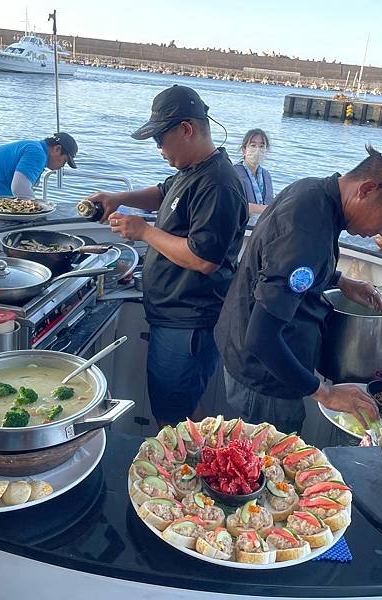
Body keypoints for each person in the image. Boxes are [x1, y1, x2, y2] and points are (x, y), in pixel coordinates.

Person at [215, 145, 382, 434]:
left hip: (259, 363)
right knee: (273, 467)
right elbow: (261, 338)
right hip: (266, 379)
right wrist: (326, 393)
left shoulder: (313, 192)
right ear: (368, 189)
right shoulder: (307, 230)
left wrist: (340, 281)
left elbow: (284, 268)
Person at [86, 85, 248, 427]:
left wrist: (143, 232)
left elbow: (204, 259)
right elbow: (164, 193)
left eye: (160, 138)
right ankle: (190, 468)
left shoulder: (217, 183)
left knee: (176, 417)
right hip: (173, 317)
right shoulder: (194, 169)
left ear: (186, 129)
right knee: (180, 410)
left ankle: (186, 474)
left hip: (189, 323)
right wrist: (120, 197)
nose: (158, 148)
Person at [0, 132, 78, 208]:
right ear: (57, 149)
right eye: (65, 161)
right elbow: (19, 188)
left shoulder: (32, 146)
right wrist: (40, 209)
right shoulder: (37, 153)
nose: (62, 166)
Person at [234, 128, 274, 215]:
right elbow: (232, 204)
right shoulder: (234, 173)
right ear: (244, 150)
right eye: (253, 145)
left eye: (262, 146)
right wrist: (266, 210)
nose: (257, 150)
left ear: (266, 150)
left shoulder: (266, 175)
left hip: (262, 224)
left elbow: (270, 202)